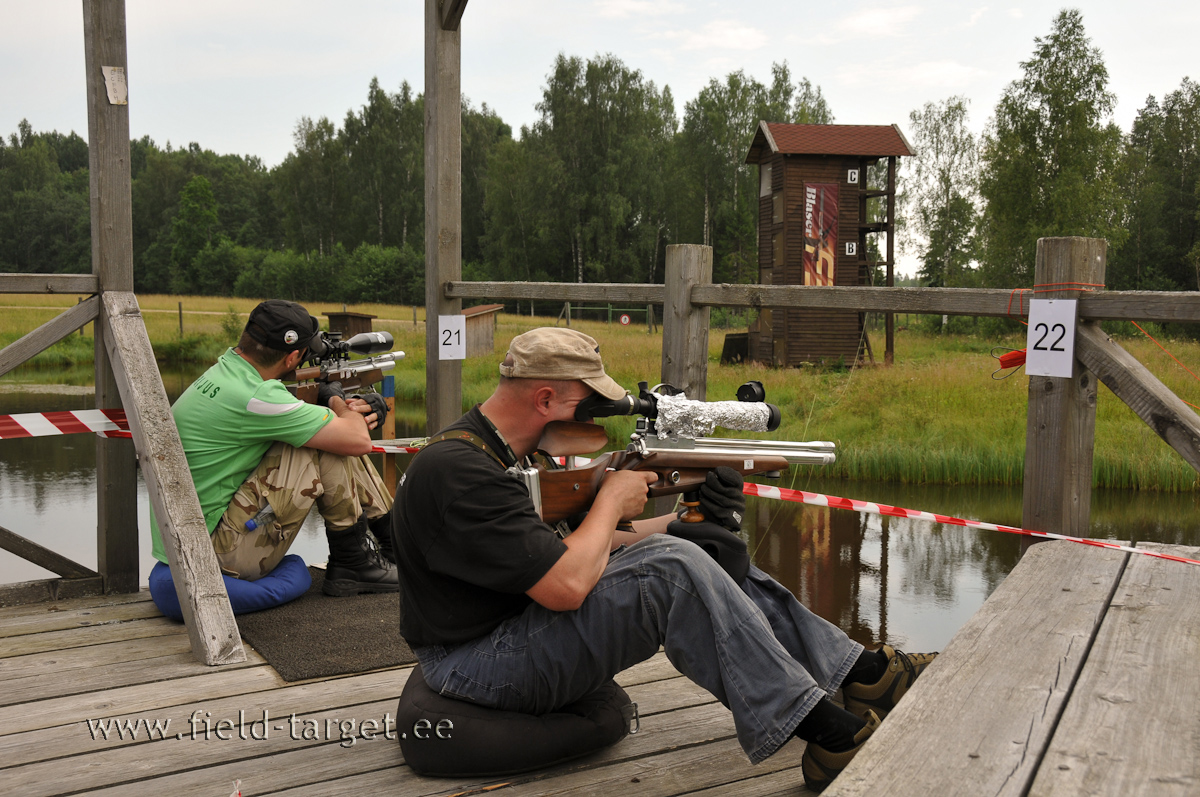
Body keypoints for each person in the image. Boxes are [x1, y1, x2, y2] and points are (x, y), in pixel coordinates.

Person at [392, 327, 936, 792]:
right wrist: (611, 501)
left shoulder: (514, 455)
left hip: (516, 632)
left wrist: (690, 522)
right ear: (545, 399)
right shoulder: (461, 471)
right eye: (590, 403)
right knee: (669, 570)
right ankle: (830, 736)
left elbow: (585, 548)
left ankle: (861, 674)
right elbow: (566, 585)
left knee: (691, 552)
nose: (599, 417)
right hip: (471, 665)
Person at [149, 299, 398, 616]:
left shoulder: (225, 372)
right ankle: (355, 560)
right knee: (317, 442)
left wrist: (338, 405)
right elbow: (358, 440)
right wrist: (337, 399)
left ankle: (389, 547)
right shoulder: (257, 397)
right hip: (215, 556)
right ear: (293, 357)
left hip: (186, 542)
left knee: (320, 430)